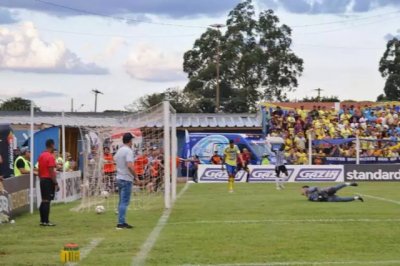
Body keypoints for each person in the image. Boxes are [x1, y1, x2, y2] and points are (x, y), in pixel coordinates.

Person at [114, 133, 137, 229]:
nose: (132, 142)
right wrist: (135, 176)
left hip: (119, 177)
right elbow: (129, 165)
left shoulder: (119, 150)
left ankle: (121, 220)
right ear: (129, 141)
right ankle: (121, 222)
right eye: (132, 140)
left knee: (121, 201)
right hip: (126, 178)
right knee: (124, 202)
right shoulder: (128, 151)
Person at [37, 139, 58, 226]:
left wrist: (40, 178)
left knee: (44, 200)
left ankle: (42, 220)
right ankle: (46, 221)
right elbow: (51, 171)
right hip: (48, 180)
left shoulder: (41, 155)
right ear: (52, 145)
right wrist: (55, 182)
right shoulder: (50, 156)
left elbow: (39, 169)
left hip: (42, 179)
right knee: (47, 201)